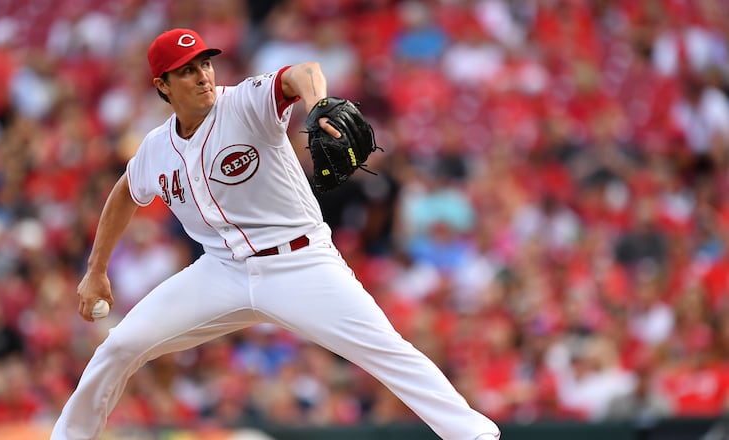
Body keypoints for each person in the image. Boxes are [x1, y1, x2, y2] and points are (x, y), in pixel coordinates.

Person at [50, 28, 500, 440]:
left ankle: (476, 436)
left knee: (386, 352)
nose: (203, 76)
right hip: (221, 271)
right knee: (121, 346)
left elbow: (304, 72)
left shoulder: (244, 102)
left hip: (300, 263)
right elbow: (126, 192)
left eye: (205, 63)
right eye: (186, 71)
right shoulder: (156, 148)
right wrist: (96, 270)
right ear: (162, 85)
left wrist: (318, 103)